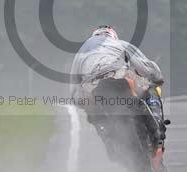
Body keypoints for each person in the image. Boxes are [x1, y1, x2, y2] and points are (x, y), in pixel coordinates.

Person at [70, 25, 165, 154]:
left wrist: (81, 102)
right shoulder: (119, 43)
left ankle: (107, 139)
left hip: (92, 84)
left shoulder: (80, 52)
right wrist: (156, 77)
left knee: (93, 114)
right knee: (139, 100)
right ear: (112, 35)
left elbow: (74, 88)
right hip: (116, 73)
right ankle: (155, 133)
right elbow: (143, 66)